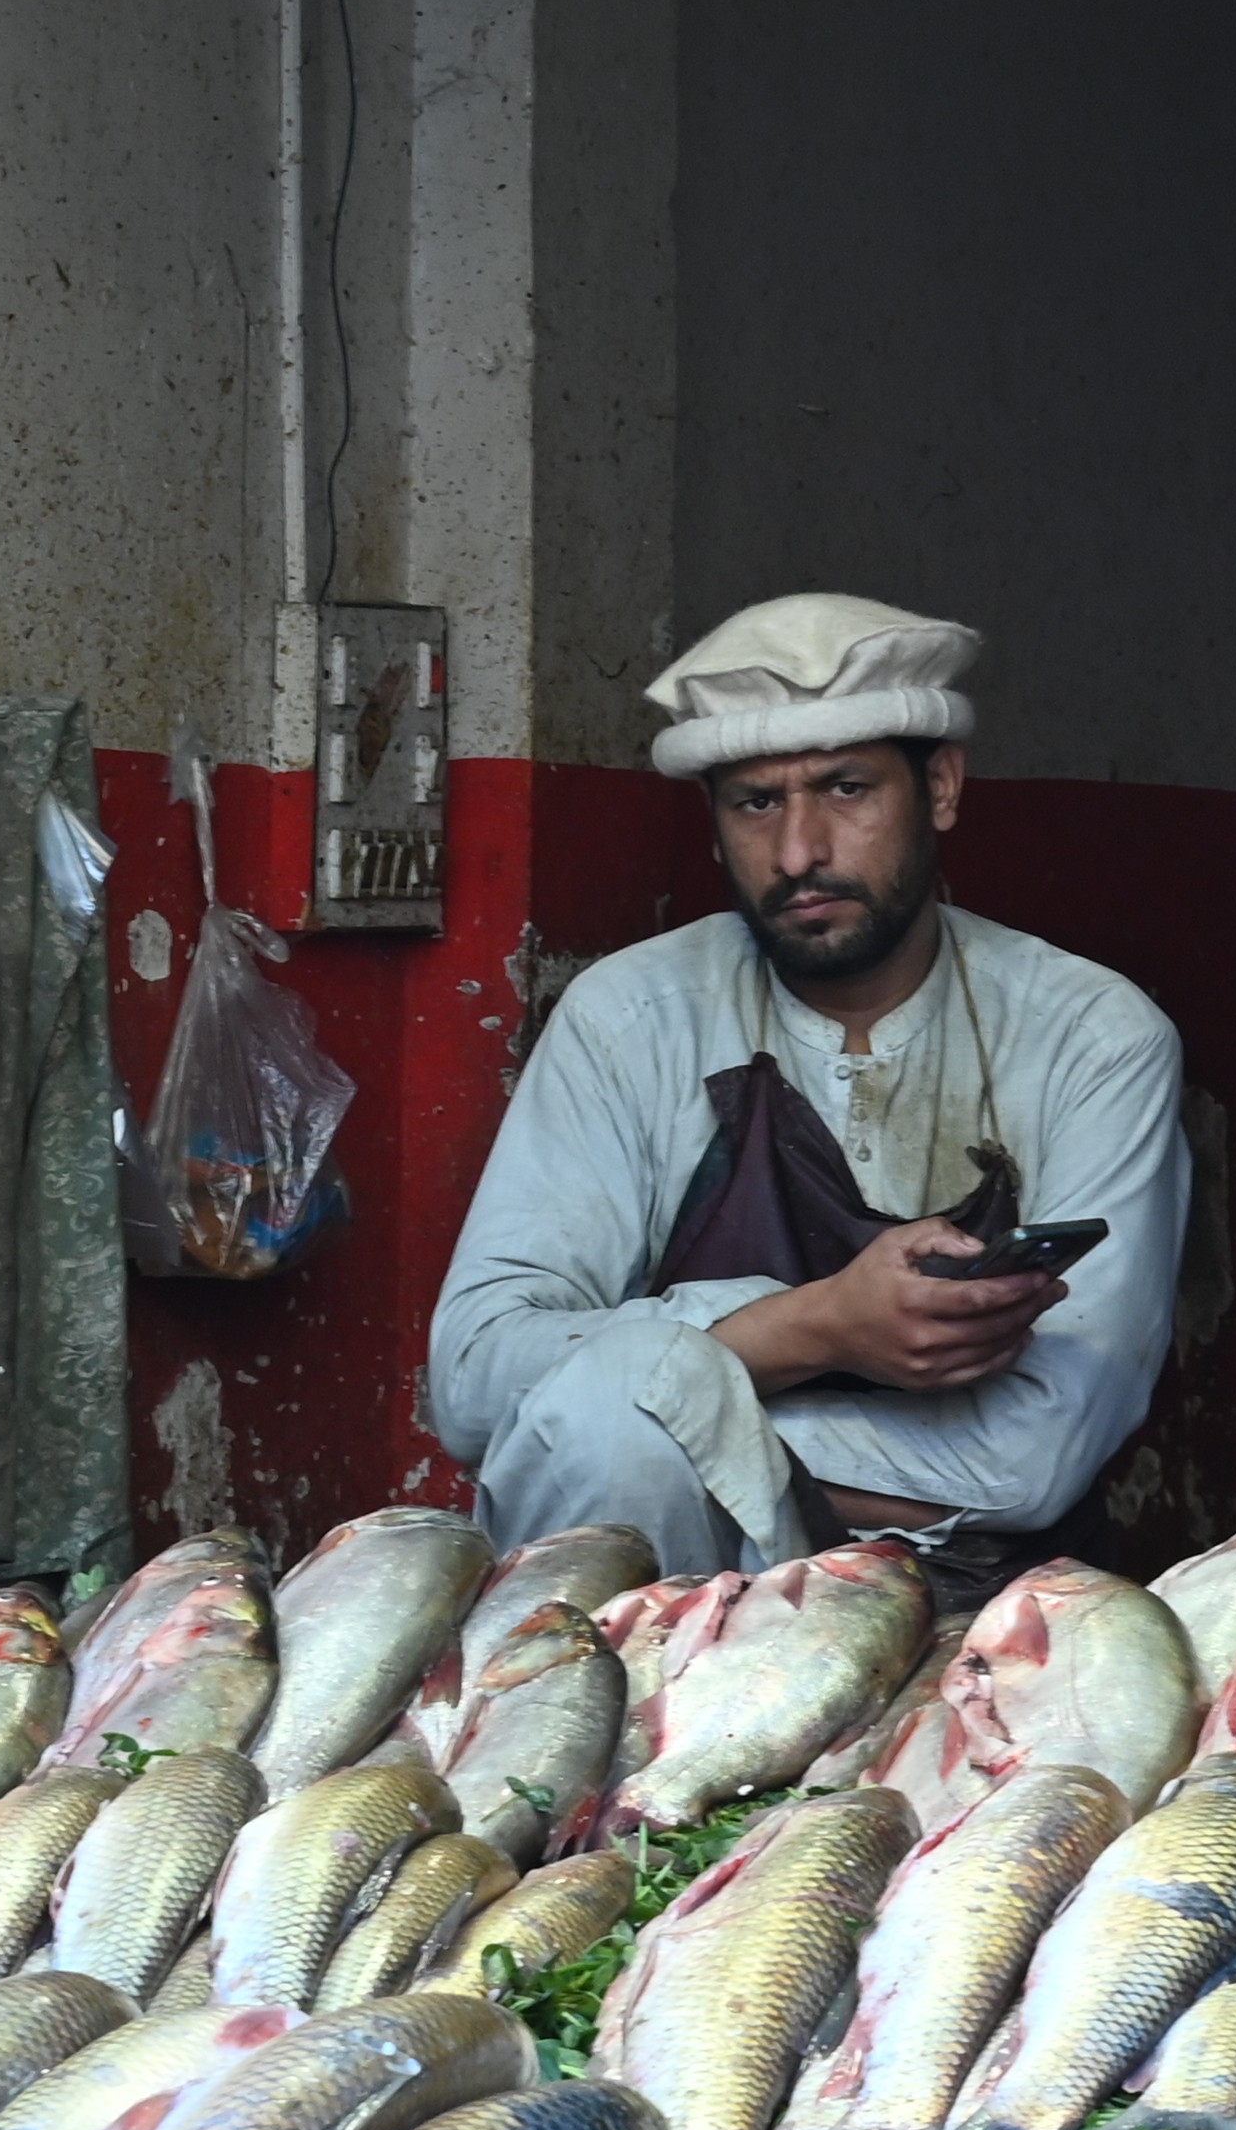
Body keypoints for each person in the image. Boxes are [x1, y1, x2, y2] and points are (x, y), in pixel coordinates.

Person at [429, 593, 1189, 1599]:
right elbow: (473, 1379)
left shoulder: (1091, 1036)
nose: (799, 853)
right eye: (755, 803)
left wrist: (644, 1425)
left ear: (943, 789)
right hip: (660, 1631)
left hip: (982, 1637)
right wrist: (816, 1326)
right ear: (712, 826)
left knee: (606, 1415)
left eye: (845, 788)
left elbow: (1034, 1458)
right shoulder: (629, 1018)